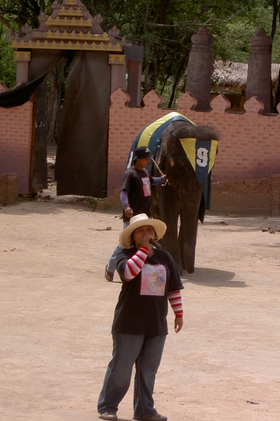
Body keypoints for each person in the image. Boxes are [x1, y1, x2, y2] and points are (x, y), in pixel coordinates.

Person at [97, 213, 184, 421]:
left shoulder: (165, 258)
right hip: (129, 322)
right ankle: (108, 406)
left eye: (149, 230)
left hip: (156, 324)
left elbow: (173, 289)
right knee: (121, 368)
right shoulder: (125, 255)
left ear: (155, 234)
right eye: (141, 231)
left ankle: (145, 410)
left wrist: (178, 313)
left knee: (148, 370)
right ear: (133, 237)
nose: (146, 234)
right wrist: (143, 250)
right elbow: (129, 273)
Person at [105, 146, 166, 281]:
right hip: (133, 217)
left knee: (147, 241)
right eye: (145, 158)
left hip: (145, 215)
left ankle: (142, 268)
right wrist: (126, 206)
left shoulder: (144, 172)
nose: (148, 161)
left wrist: (161, 179)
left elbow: (151, 181)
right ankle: (110, 267)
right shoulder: (130, 174)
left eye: (149, 158)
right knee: (126, 244)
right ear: (137, 159)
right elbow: (123, 192)